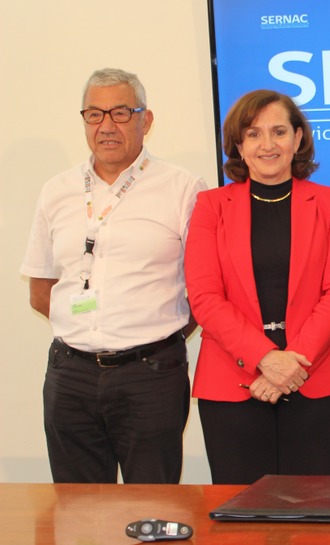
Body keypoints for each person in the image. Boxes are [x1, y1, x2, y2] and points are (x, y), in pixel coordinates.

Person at [20, 68, 206, 483]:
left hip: (150, 376)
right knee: (77, 515)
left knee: (151, 508)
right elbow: (40, 289)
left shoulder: (183, 188)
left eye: (121, 113)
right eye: (94, 114)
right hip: (70, 376)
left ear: (146, 120)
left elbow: (203, 290)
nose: (106, 126)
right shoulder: (57, 190)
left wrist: (150, 335)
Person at [184, 90, 330, 484]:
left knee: (316, 514)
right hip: (231, 381)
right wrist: (266, 358)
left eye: (278, 132)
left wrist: (290, 364)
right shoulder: (211, 206)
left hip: (312, 379)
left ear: (297, 140)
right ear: (238, 145)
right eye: (253, 134)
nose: (267, 144)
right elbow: (205, 298)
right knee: (241, 520)